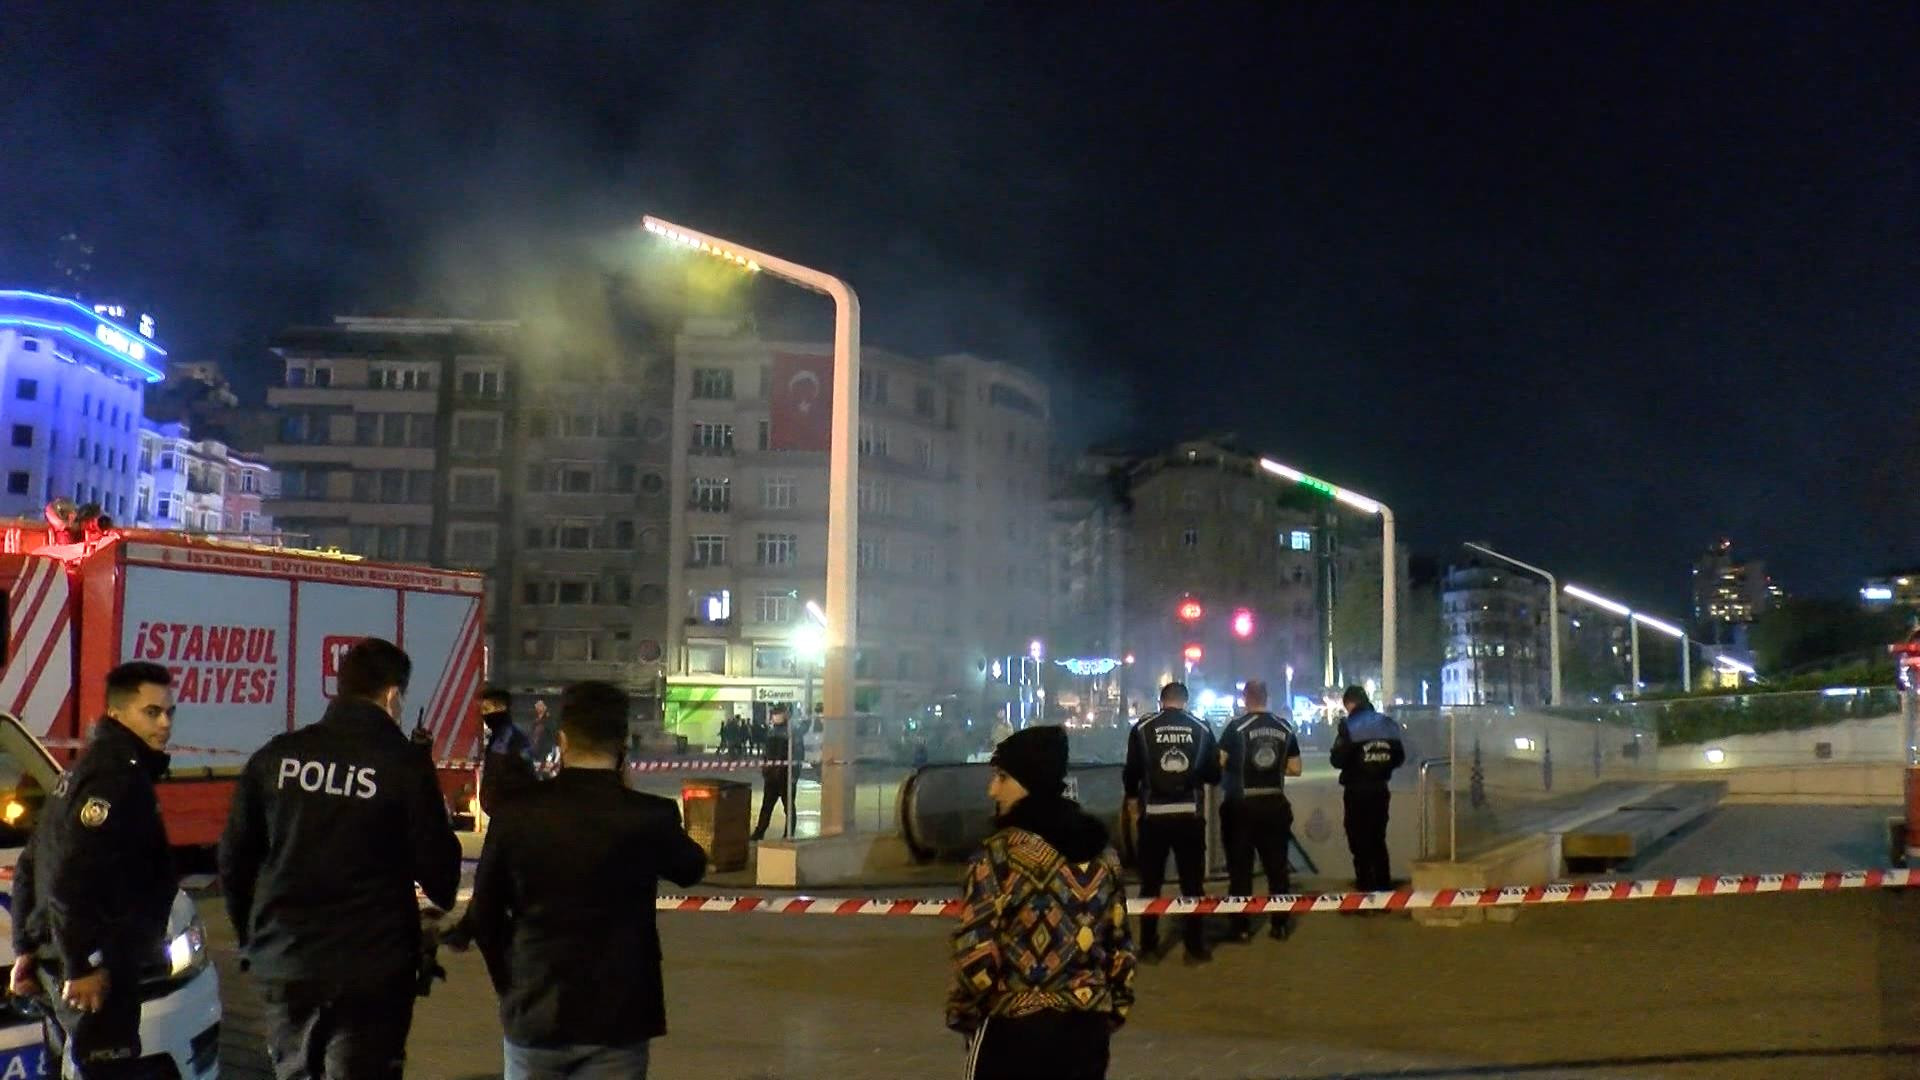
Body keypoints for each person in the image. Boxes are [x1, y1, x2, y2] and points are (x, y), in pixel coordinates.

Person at [219, 638, 461, 1080]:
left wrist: (253, 939)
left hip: (286, 963)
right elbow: (442, 879)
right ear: (392, 695)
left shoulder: (276, 756)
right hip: (369, 971)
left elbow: (234, 861)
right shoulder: (404, 766)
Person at [459, 680, 707, 1079]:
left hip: (534, 1012)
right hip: (617, 1020)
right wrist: (628, 791)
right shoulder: (650, 816)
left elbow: (484, 916)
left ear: (562, 740)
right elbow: (693, 868)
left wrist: (511, 987)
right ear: (623, 745)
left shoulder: (517, 814)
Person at [9, 662, 178, 1077]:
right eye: (151, 712)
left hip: (64, 960)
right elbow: (71, 878)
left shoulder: (85, 771)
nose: (164, 724)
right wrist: (82, 963)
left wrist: (26, 946)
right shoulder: (115, 779)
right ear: (118, 714)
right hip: (95, 973)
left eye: (169, 712)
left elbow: (33, 860)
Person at [947, 726, 1134, 1080]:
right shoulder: (1102, 854)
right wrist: (1110, 1008)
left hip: (1012, 1031)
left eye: (1001, 777)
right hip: (1086, 1029)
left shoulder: (999, 856)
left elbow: (976, 953)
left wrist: (965, 1013)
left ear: (1027, 781)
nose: (992, 790)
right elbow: (1120, 945)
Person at [1120, 681, 1219, 964]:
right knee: (1192, 883)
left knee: (1150, 884)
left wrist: (1131, 801)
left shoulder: (1142, 728)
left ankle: (1149, 947)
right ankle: (1194, 946)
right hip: (1190, 815)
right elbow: (1213, 775)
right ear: (1185, 701)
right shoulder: (1201, 729)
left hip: (1153, 816)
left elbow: (1132, 772)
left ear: (1161, 700)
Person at [1217, 679, 1303, 942]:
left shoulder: (1235, 728)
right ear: (1266, 697)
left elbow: (1219, 762)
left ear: (1246, 698)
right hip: (1274, 805)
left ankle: (1241, 927)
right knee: (1277, 869)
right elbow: (1296, 769)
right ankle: (1279, 924)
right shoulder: (1284, 727)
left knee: (1240, 870)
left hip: (1241, 807)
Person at [1330, 685, 1406, 893]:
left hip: (1356, 790)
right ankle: (1383, 889)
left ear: (1350, 703)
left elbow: (1337, 759)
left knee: (1359, 842)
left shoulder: (1349, 725)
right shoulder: (1387, 723)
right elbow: (1399, 756)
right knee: (1378, 840)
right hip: (1381, 789)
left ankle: (1365, 890)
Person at [476, 686, 538, 818]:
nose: (483, 714)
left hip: (509, 813)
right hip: (507, 812)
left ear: (501, 708)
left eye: (486, 709)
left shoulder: (506, 737)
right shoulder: (505, 735)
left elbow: (497, 772)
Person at [750, 704, 794, 841]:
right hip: (771, 777)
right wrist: (765, 769)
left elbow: (796, 754)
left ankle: (789, 833)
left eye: (778, 713)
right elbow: (767, 753)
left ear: (785, 714)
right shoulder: (771, 732)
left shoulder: (791, 732)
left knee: (789, 807)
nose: (776, 716)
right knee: (766, 806)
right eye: (774, 713)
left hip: (785, 776)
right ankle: (759, 832)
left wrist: (794, 776)